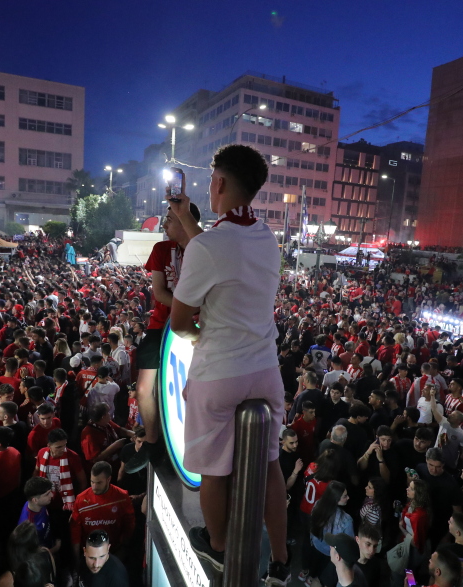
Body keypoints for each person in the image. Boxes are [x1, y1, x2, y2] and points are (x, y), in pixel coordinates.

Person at [169, 145, 288, 585]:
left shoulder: (208, 247)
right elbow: (219, 244)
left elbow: (180, 321)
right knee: (270, 463)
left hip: (219, 375)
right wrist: (186, 219)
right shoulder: (267, 237)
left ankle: (217, 546)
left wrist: (204, 337)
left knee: (214, 469)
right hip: (267, 372)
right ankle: (279, 557)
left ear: (217, 183)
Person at [124, 201, 201, 473]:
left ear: (185, 221)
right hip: (161, 326)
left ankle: (185, 445)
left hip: (199, 326)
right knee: (143, 388)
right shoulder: (161, 249)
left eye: (170, 219)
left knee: (192, 392)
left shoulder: (202, 249)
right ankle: (152, 442)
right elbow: (158, 293)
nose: (165, 224)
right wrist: (184, 312)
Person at [70, 461, 135, 563]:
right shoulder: (81, 499)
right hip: (89, 554)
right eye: (92, 482)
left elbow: (129, 524)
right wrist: (77, 559)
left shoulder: (122, 497)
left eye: (99, 482)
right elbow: (75, 531)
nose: (94, 487)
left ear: (108, 479)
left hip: (114, 552)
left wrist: (123, 549)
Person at [309, 481, 353, 581]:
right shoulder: (346, 520)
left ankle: (310, 579)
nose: (348, 498)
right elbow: (348, 545)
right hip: (331, 555)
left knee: (315, 569)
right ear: (335, 499)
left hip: (316, 546)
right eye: (345, 496)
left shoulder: (317, 504)